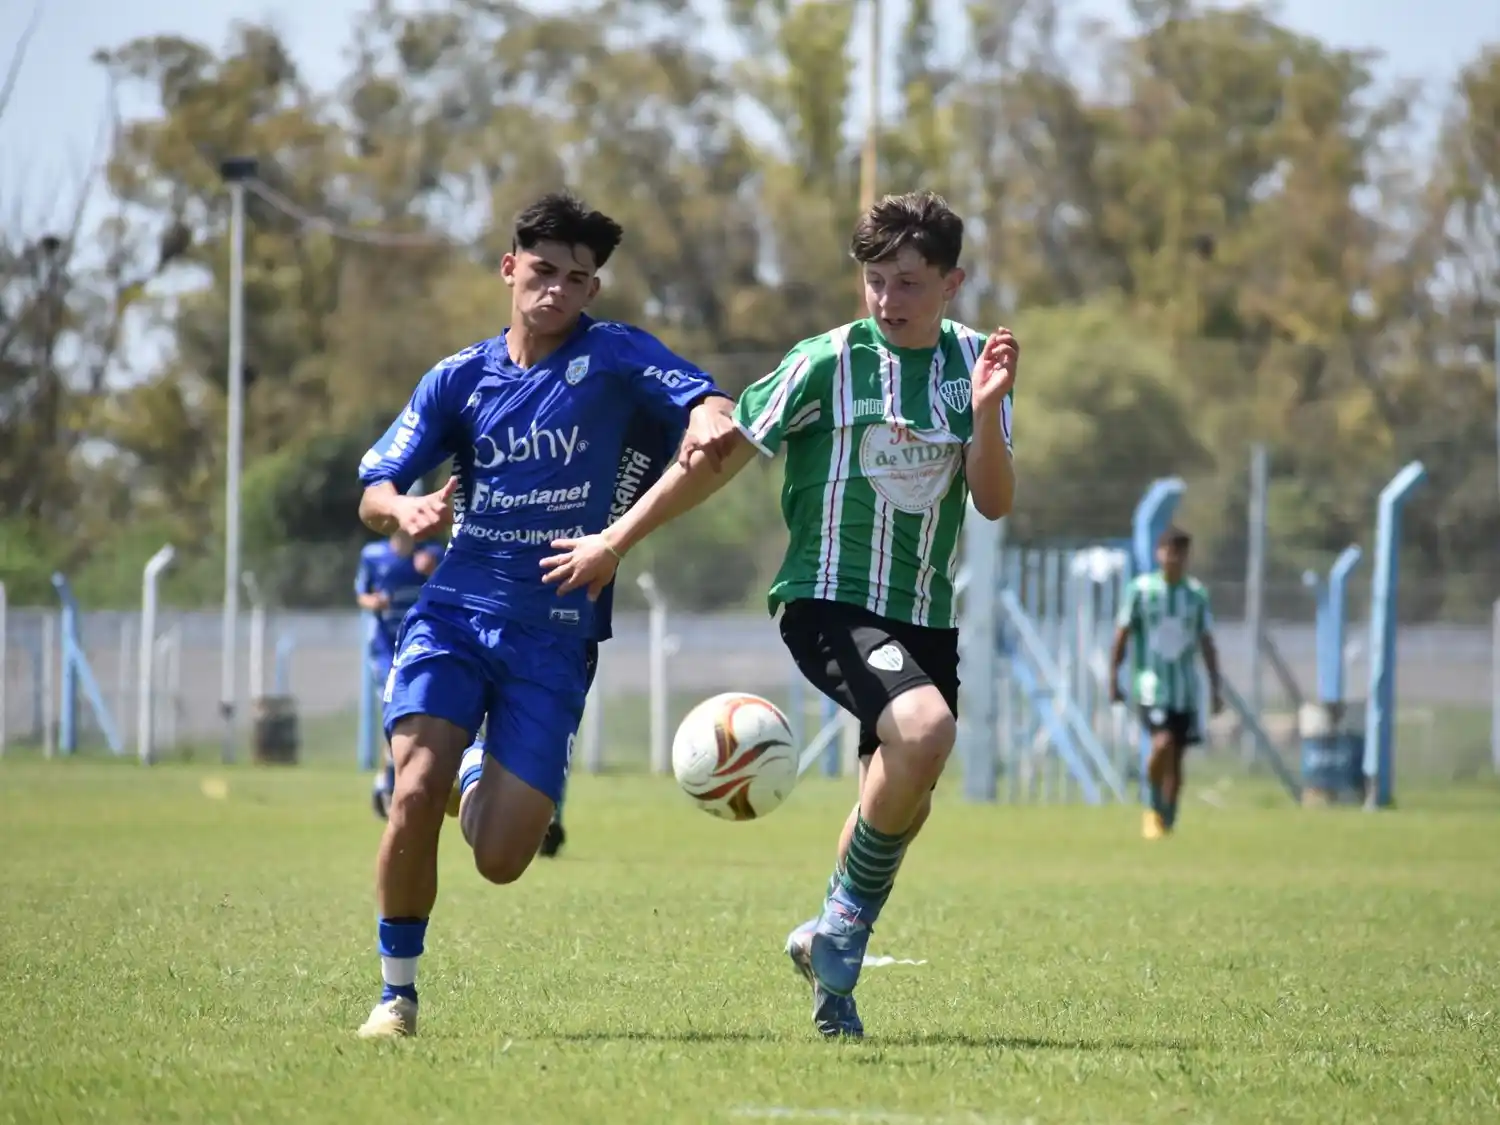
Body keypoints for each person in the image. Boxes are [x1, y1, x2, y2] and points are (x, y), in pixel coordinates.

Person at [541, 190, 1018, 1039]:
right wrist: (615, 539)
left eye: (907, 281)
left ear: (953, 282)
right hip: (827, 598)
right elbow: (716, 459)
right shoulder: (826, 362)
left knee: (903, 789)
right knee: (925, 727)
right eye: (874, 279)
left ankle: (830, 965)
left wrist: (986, 413)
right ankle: (841, 934)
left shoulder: (979, 364)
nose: (886, 299)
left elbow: (992, 500)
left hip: (926, 615)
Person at [353, 191, 734, 1039]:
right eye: (542, 270)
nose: (556, 289)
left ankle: (480, 768)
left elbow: (709, 409)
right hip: (454, 610)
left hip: (555, 635)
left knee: (500, 859)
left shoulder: (616, 357)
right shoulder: (459, 377)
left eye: (576, 277)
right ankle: (396, 994)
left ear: (593, 290)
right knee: (412, 792)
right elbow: (375, 484)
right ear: (509, 268)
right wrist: (402, 510)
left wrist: (706, 412)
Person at [1108, 525, 1223, 840]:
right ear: (1159, 553)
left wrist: (1215, 688)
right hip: (1151, 686)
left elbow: (1206, 642)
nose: (1173, 558)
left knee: (1177, 759)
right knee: (1163, 744)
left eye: (1180, 553)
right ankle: (1153, 803)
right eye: (1169, 551)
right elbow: (1122, 635)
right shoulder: (1142, 591)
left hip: (1185, 690)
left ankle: (1168, 814)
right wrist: (1113, 678)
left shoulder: (1196, 595)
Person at [355, 530, 443, 819]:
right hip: (383, 649)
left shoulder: (431, 553)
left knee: (415, 715)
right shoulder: (373, 555)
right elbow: (361, 595)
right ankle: (392, 786)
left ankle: (387, 782)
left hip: (418, 648)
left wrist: (433, 567)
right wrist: (374, 602)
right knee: (396, 715)